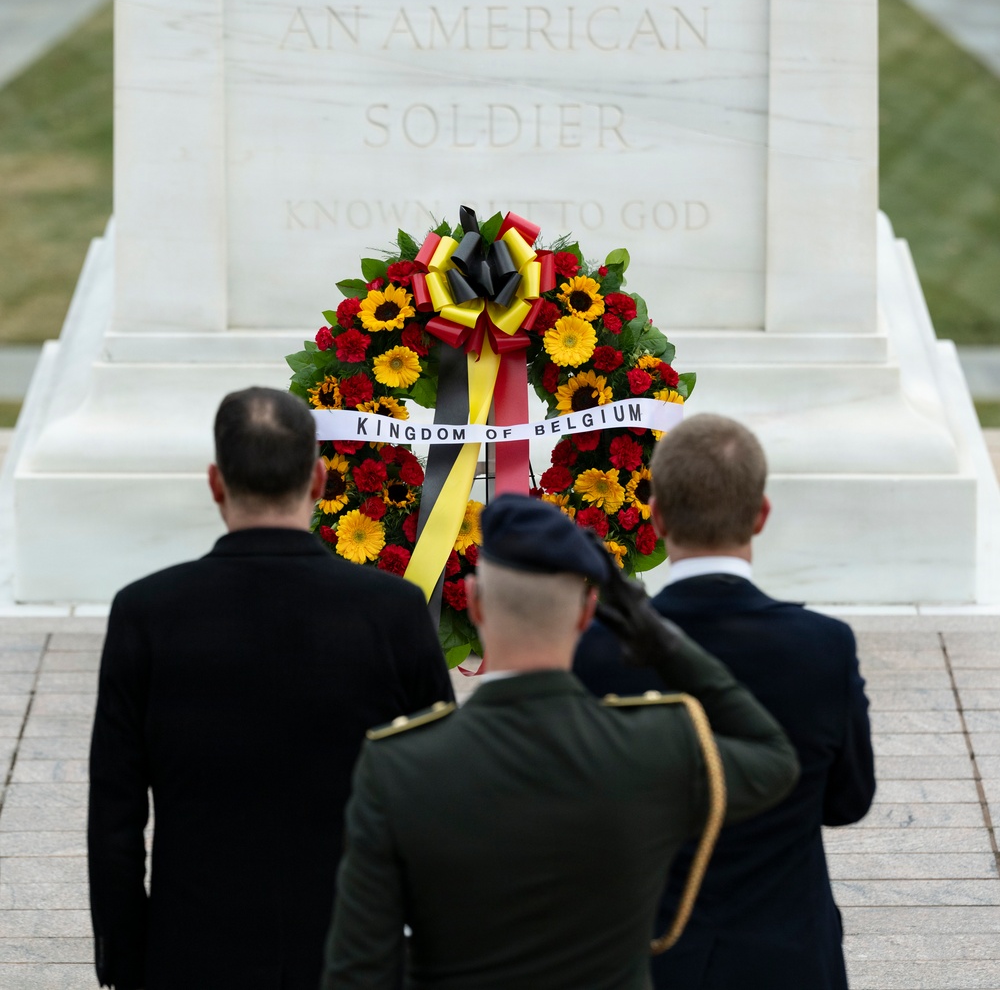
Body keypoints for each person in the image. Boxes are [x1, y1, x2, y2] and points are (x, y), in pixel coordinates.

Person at [322, 492, 800, 990]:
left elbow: (359, 974)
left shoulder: (399, 767)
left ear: (478, 604)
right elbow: (775, 758)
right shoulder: (658, 747)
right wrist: (663, 641)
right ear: (587, 611)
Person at [87, 386, 452, 990]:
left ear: (215, 482)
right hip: (356, 952)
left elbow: (115, 816)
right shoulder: (394, 612)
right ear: (319, 479)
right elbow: (439, 802)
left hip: (194, 953)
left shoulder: (146, 612)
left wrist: (126, 962)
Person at [574, 413, 876, 990]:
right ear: (760, 516)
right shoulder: (823, 647)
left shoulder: (595, 651)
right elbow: (848, 801)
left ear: (656, 516)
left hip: (649, 958)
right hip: (786, 956)